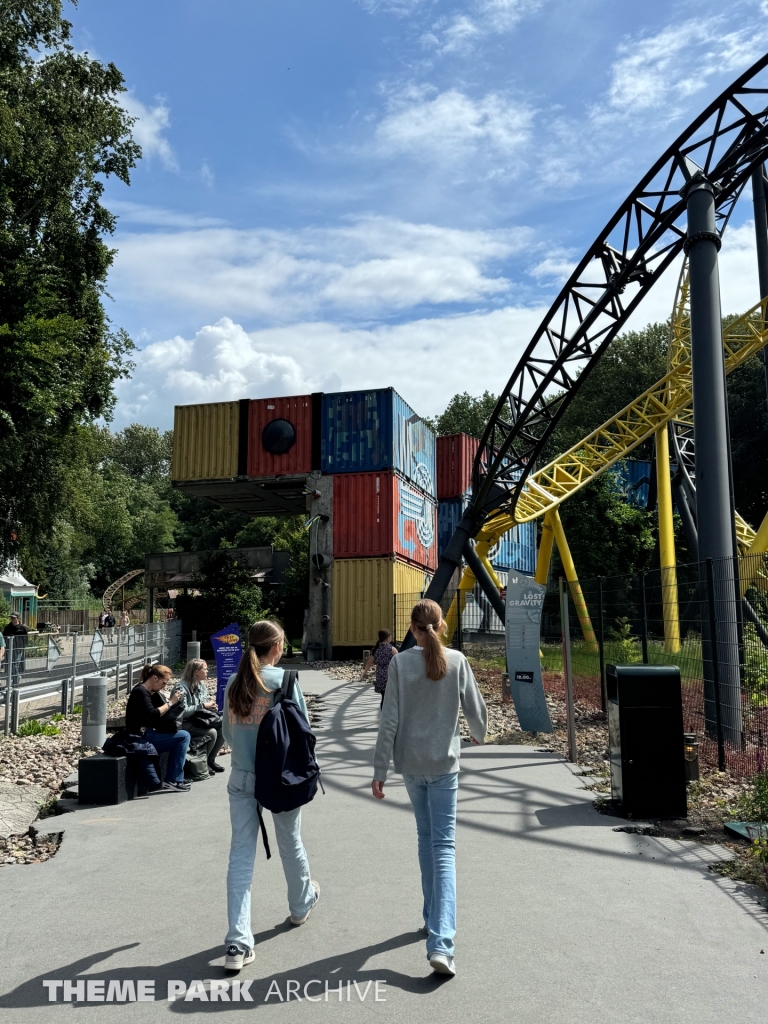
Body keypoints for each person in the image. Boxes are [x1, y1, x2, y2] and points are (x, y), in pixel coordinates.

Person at [371, 598, 488, 979]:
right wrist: (479, 734)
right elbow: (475, 711)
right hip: (444, 764)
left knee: (426, 840)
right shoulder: (457, 661)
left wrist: (380, 770)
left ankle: (429, 917)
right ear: (441, 625)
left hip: (410, 765)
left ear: (411, 627)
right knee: (445, 847)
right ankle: (441, 942)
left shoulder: (401, 663)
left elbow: (388, 721)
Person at [222, 620, 319, 972]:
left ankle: (237, 941)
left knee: (240, 855)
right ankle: (300, 904)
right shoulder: (285, 682)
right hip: (280, 777)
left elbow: (227, 733)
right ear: (277, 646)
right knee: (289, 841)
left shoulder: (235, 682)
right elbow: (304, 732)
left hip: (242, 776)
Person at [125, 664, 191, 792]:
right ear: (155, 678)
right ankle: (173, 779)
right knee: (184, 736)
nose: (164, 686)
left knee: (181, 735)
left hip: (146, 734)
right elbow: (153, 714)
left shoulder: (149, 692)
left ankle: (175, 777)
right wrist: (170, 702)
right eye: (163, 683)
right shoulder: (140, 692)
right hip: (140, 736)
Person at [172, 658, 225, 775]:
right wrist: (202, 706)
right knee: (211, 732)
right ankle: (203, 762)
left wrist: (210, 707)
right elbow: (183, 711)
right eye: (205, 669)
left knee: (224, 726)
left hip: (197, 719)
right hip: (183, 722)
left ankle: (211, 760)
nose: (207, 671)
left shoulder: (201, 687)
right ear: (196, 672)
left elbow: (202, 707)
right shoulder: (180, 687)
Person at [362, 629, 398, 708]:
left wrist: (365, 673)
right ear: (387, 638)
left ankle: (383, 713)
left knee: (384, 696)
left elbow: (369, 662)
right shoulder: (392, 649)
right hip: (390, 675)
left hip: (380, 675)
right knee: (392, 697)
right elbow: (399, 661)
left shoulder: (377, 650)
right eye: (390, 637)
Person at [3, 613, 28, 686]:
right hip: (9, 649)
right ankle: (15, 678)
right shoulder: (8, 627)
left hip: (18, 649)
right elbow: (4, 637)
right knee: (9, 666)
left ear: (18, 618)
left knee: (15, 665)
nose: (12, 619)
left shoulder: (22, 628)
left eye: (13, 618)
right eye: (11, 618)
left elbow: (25, 639)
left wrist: (22, 647)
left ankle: (15, 682)